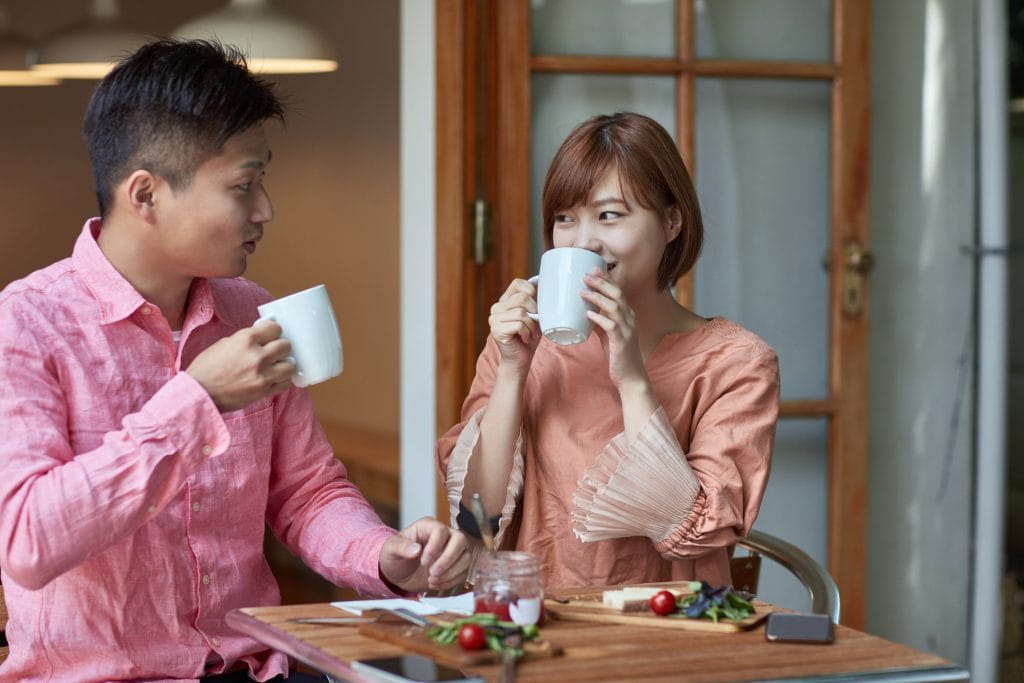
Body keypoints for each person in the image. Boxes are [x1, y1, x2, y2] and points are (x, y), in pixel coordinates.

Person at [0, 39, 469, 682]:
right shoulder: (26, 323)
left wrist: (383, 555)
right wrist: (199, 401)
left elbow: (306, 491)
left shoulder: (252, 312)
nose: (265, 210)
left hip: (257, 670)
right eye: (244, 186)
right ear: (146, 195)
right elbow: (27, 542)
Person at [437, 112, 779, 590]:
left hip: (669, 633)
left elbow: (697, 534)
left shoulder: (736, 363)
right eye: (565, 219)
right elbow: (480, 519)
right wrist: (513, 371)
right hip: (527, 625)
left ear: (672, 220)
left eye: (610, 215)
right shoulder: (521, 348)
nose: (584, 241)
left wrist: (633, 378)